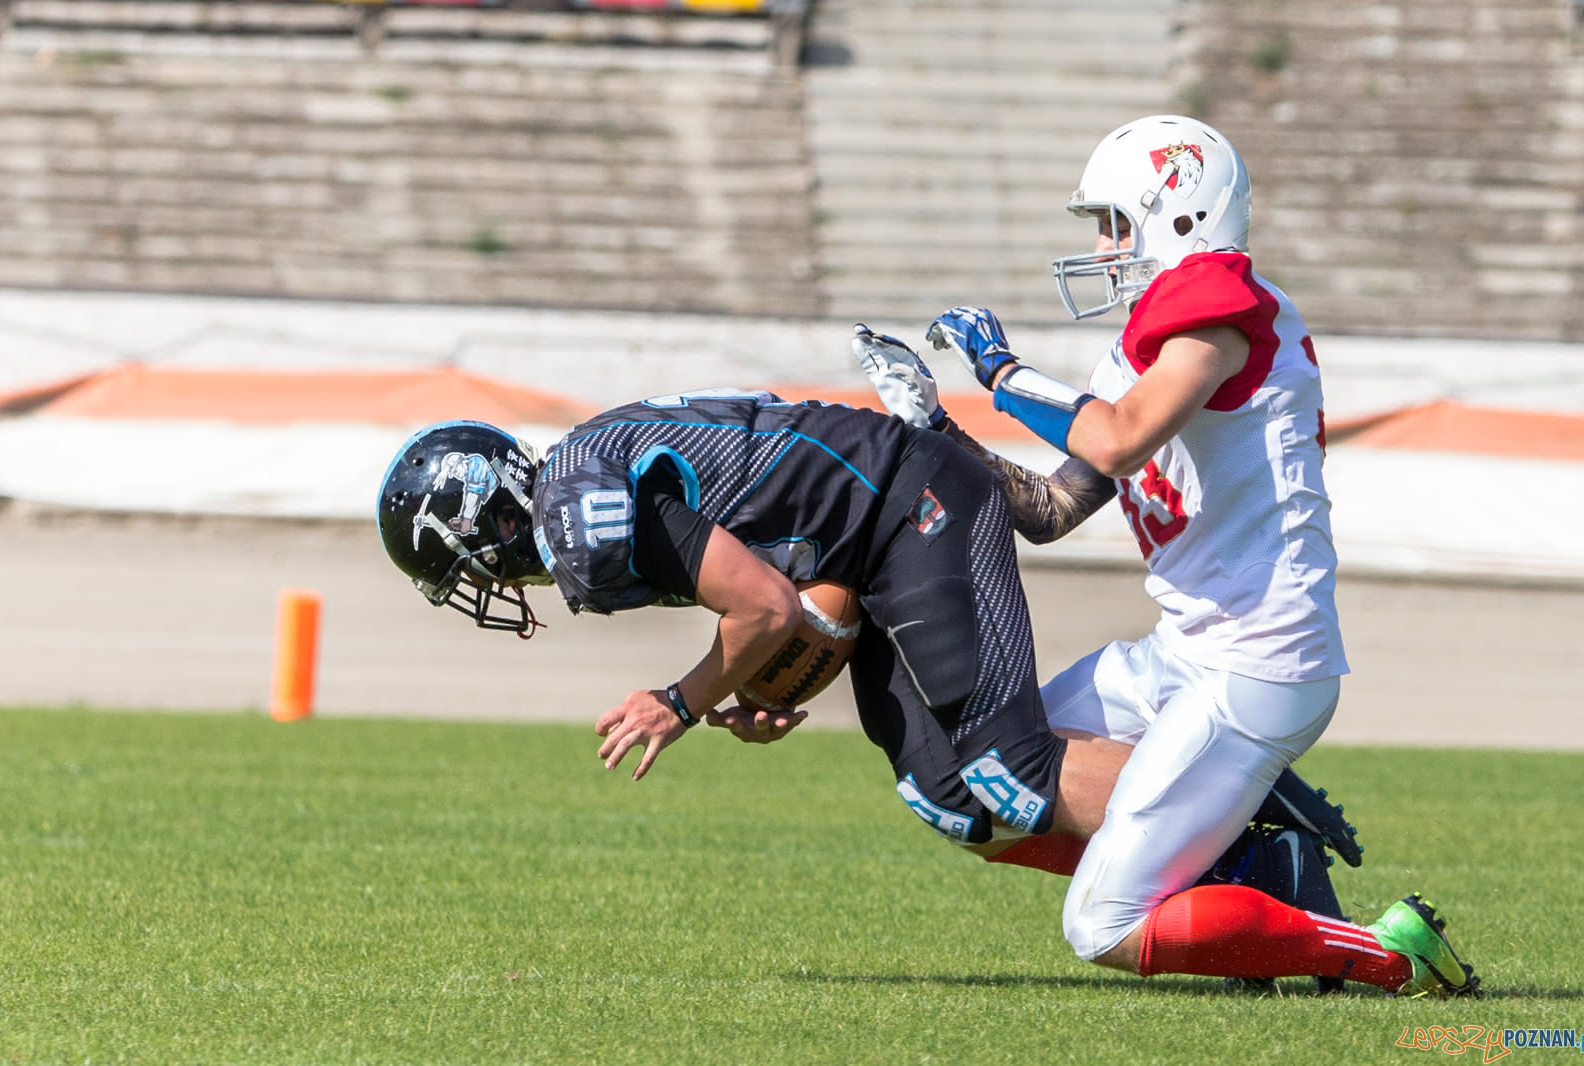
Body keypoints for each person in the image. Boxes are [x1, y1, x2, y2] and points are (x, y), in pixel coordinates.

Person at [854, 113, 1478, 996]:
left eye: (1116, 222)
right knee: (976, 789)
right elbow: (1051, 507)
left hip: (1256, 662)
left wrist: (999, 371)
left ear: (1179, 213)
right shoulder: (1156, 334)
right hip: (1182, 651)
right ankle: (1254, 866)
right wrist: (937, 427)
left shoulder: (1223, 305)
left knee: (1101, 924)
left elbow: (1116, 440)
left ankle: (1385, 952)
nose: (1107, 248)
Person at [375, 392, 1359, 921]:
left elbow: (760, 601)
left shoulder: (575, 529)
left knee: (1005, 773)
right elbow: (795, 590)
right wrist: (759, 676)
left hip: (909, 500)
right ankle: (1217, 853)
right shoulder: (576, 486)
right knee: (955, 797)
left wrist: (681, 699)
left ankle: (1242, 824)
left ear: (474, 520)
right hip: (874, 527)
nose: (476, 582)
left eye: (453, 559)